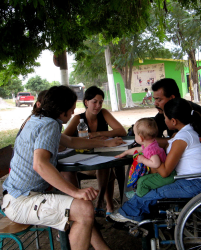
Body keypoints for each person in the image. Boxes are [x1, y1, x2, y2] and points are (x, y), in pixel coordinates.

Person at [2, 86, 124, 250]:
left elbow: (71, 141)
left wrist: (105, 142)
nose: (73, 112)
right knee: (84, 209)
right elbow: (40, 164)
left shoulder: (39, 119)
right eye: (72, 108)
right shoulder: (50, 124)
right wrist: (75, 191)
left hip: (17, 196)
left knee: (82, 206)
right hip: (22, 201)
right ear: (62, 109)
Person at [108, 97, 201, 223]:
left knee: (153, 193)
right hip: (196, 179)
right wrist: (150, 146)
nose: (164, 120)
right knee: (151, 188)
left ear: (173, 121)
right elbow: (167, 144)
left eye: (165, 117)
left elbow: (165, 172)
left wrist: (147, 157)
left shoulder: (181, 138)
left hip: (197, 182)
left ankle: (130, 214)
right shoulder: (186, 131)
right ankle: (132, 213)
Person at [61, 86, 127, 216]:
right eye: (94, 102)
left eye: (100, 102)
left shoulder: (104, 114)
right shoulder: (78, 119)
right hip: (82, 161)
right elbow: (64, 139)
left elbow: (122, 131)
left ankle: (102, 202)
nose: (98, 105)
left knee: (106, 165)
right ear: (86, 102)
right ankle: (105, 204)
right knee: (109, 172)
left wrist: (96, 133)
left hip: (99, 157)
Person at [151, 78, 201, 148]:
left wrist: (170, 140)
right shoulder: (164, 112)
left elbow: (181, 143)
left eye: (159, 100)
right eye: (154, 99)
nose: (155, 104)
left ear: (172, 98)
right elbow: (148, 133)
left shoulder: (188, 111)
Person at [126, 118, 175, 198]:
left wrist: (143, 160)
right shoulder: (152, 144)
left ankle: (139, 198)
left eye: (135, 134)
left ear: (141, 138)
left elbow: (156, 163)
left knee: (142, 181)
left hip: (163, 176)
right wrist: (125, 152)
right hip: (166, 173)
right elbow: (139, 149)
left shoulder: (151, 150)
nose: (135, 136)